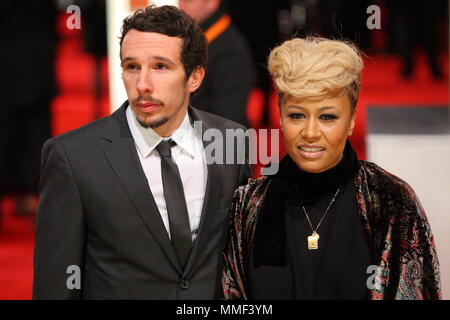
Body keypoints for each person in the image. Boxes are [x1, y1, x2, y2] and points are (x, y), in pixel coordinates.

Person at [33, 5, 251, 299]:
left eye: (160, 67)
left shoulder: (231, 141)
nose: (143, 85)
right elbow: (56, 284)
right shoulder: (73, 158)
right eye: (132, 67)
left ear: (195, 77)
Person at [222, 37, 441, 300]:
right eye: (297, 115)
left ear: (351, 120)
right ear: (280, 117)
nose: (311, 133)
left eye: (327, 117)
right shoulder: (248, 205)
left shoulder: (390, 200)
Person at [179, 0, 256, 126]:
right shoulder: (196, 37)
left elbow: (226, 122)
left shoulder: (231, 52)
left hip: (220, 140)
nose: (181, 6)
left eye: (189, 1)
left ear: (213, 2)